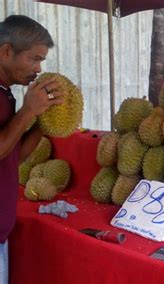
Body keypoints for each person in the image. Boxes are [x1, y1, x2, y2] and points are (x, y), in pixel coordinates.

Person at [0, 15, 64, 283]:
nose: (38, 69)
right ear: (6, 51)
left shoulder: (6, 92)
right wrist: (28, 111)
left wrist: (43, 121)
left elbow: (13, 156)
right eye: (33, 58)